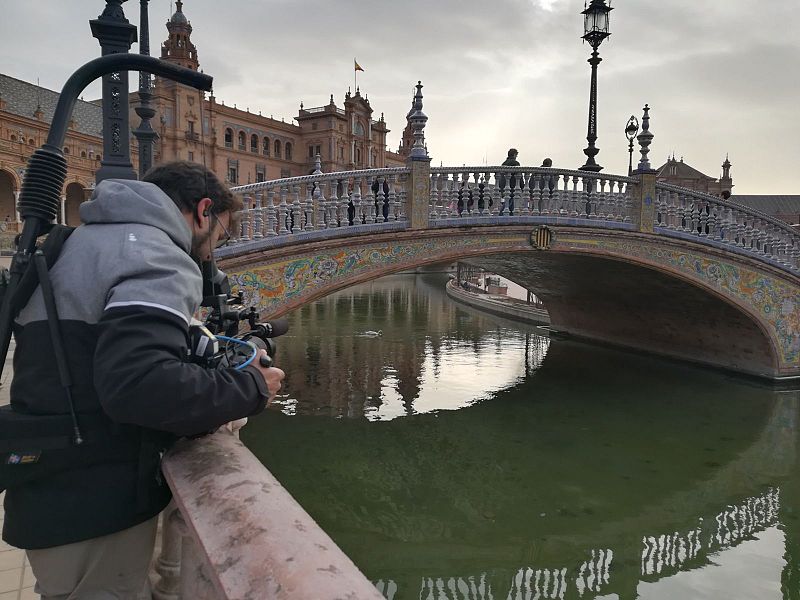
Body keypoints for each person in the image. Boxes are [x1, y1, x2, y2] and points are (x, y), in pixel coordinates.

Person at [2, 161, 285, 598]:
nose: (212, 253)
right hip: (95, 502)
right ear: (202, 211)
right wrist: (252, 388)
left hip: (50, 485)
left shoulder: (79, 242)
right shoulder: (156, 254)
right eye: (220, 236)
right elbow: (141, 387)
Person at [498, 148, 520, 215]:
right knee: (509, 203)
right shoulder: (515, 163)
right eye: (516, 155)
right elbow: (519, 176)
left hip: (503, 186)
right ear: (514, 155)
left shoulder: (503, 164)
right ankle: (501, 215)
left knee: (508, 203)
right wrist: (522, 186)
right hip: (512, 186)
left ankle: (508, 216)